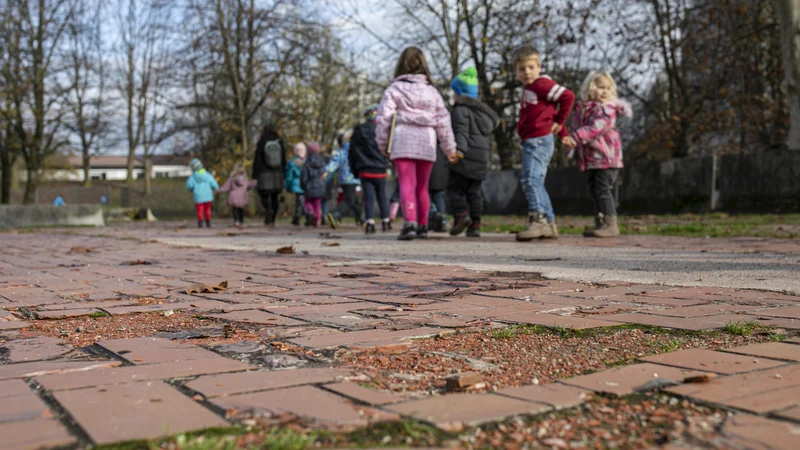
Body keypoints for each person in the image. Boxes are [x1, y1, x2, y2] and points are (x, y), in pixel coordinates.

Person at [375, 46, 458, 241]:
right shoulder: (432, 91)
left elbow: (383, 119)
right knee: (423, 186)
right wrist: (450, 149)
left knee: (406, 183)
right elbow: (443, 121)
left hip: (402, 139)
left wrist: (382, 144)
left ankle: (409, 223)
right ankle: (422, 226)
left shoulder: (394, 89)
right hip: (426, 141)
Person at [513, 45, 576, 242]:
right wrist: (562, 132)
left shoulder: (542, 84)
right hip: (535, 140)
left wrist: (559, 123)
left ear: (539, 67)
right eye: (522, 69)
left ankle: (538, 219)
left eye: (531, 67)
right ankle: (549, 223)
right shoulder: (529, 89)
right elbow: (550, 115)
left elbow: (568, 96)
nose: (526, 72)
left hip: (538, 140)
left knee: (530, 180)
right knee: (536, 181)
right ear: (516, 71)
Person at [564, 71, 632, 238]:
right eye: (601, 87)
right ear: (590, 89)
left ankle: (611, 223)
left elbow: (597, 127)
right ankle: (600, 221)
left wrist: (576, 138)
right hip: (592, 159)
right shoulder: (583, 109)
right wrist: (570, 147)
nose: (605, 92)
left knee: (603, 189)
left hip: (606, 157)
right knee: (594, 190)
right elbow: (574, 127)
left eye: (608, 88)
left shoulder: (607, 109)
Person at [447, 67, 500, 238]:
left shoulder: (461, 110)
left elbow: (461, 131)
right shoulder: (483, 113)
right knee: (475, 193)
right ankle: (475, 225)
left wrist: (459, 151)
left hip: (466, 157)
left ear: (460, 93)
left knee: (454, 189)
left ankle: (461, 215)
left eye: (454, 92)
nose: (453, 96)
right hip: (481, 159)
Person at [349, 105, 390, 234]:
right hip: (380, 168)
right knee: (382, 195)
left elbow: (352, 153)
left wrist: (354, 170)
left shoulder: (358, 131)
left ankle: (370, 222)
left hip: (365, 169)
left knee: (368, 196)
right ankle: (385, 220)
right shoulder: (383, 130)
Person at [324, 130, 363, 229]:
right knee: (349, 200)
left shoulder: (341, 152)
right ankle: (336, 214)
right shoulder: (358, 150)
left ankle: (362, 219)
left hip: (343, 179)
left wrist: (327, 171)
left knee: (355, 200)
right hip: (353, 179)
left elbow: (334, 162)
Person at [251, 122, 286, 226]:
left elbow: (257, 159)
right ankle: (273, 217)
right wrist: (284, 172)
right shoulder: (279, 142)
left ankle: (267, 210)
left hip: (264, 173)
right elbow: (284, 159)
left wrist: (255, 173)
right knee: (275, 196)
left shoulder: (262, 141)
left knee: (264, 195)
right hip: (277, 173)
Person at [218, 163, 257, 227]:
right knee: (241, 210)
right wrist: (256, 182)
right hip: (243, 196)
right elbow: (249, 185)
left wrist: (219, 190)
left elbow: (226, 187)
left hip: (234, 197)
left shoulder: (232, 179)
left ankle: (236, 221)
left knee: (235, 210)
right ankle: (241, 221)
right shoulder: (245, 179)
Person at [186, 158, 219, 228]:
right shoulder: (207, 175)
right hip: (208, 195)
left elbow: (189, 186)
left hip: (198, 196)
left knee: (199, 210)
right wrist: (215, 188)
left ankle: (200, 222)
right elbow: (214, 184)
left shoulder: (193, 177)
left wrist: (191, 189)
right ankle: (208, 222)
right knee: (207, 209)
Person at [300, 142, 326, 227]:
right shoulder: (322, 161)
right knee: (317, 204)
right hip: (320, 185)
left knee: (307, 202)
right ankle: (318, 220)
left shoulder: (307, 162)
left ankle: (311, 213)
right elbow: (324, 173)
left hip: (309, 185)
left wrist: (303, 184)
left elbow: (304, 175)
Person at [428, 145, 450, 233]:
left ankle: (433, 213)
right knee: (439, 195)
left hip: (428, 162)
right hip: (441, 166)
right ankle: (443, 222)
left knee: (423, 193)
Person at [285, 142, 306, 226]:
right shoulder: (307, 161)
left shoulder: (291, 162)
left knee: (299, 201)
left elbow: (289, 176)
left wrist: (287, 186)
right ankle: (300, 216)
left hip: (296, 184)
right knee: (302, 201)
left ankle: (298, 216)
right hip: (305, 184)